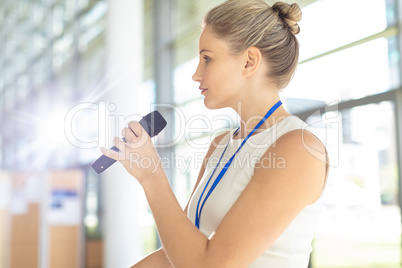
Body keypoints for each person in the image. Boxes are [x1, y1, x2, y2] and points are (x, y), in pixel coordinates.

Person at [101, 0, 328, 267]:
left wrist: (152, 176)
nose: (196, 74)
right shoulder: (221, 143)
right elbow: (175, 254)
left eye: (207, 58)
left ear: (249, 62)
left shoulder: (297, 148)